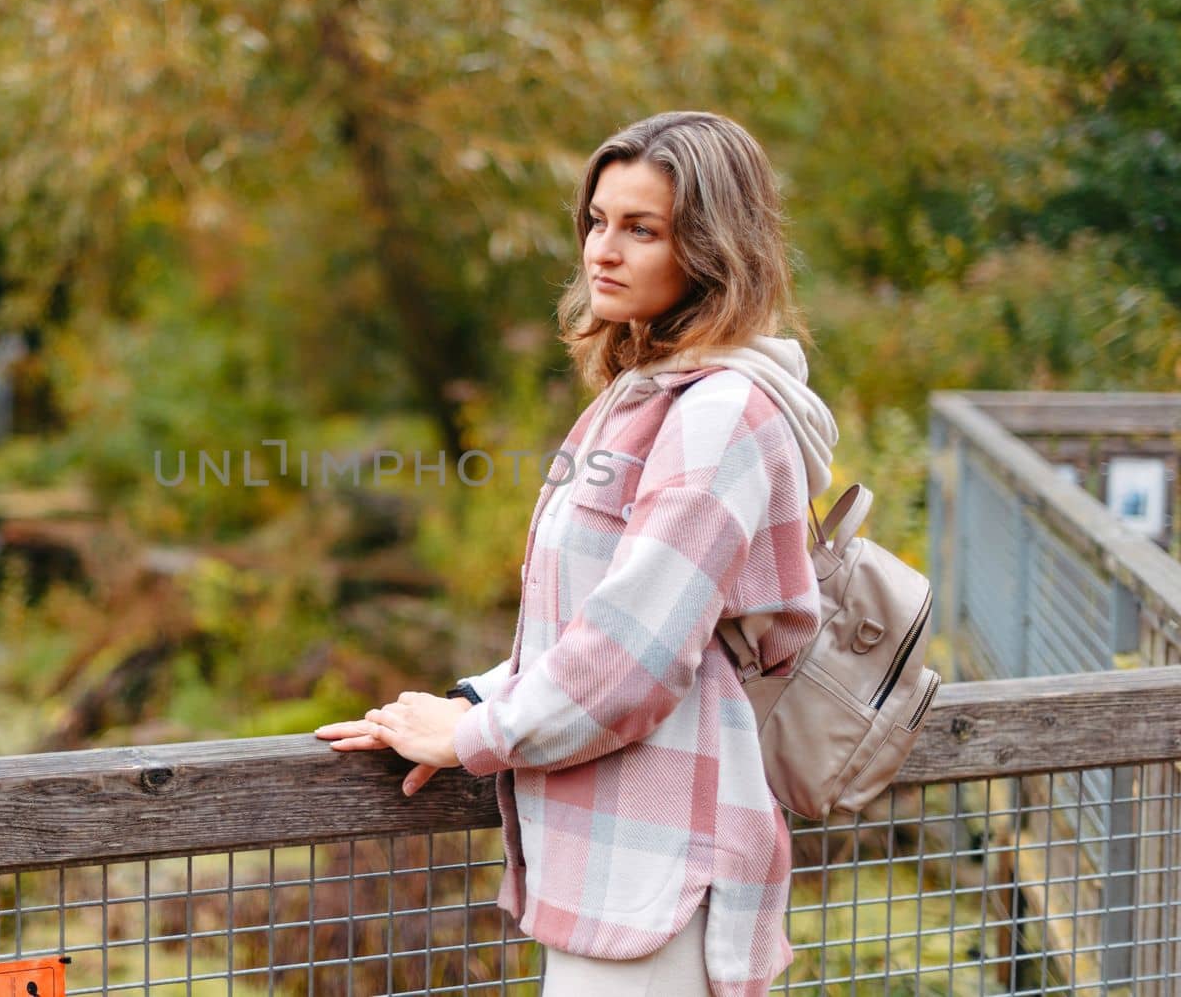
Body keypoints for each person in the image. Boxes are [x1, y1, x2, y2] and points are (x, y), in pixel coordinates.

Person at [315, 111, 839, 995]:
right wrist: (456, 706)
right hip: (611, 864)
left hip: (665, 872)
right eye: (598, 221)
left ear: (713, 250)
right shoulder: (642, 397)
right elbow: (593, 617)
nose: (603, 249)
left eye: (643, 229)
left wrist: (476, 735)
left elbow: (634, 657)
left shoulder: (718, 416)